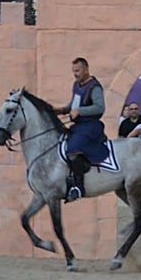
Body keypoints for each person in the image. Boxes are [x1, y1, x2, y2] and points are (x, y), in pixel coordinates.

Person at [54, 57, 108, 201]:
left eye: (77, 71)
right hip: (78, 126)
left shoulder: (94, 87)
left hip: (91, 126)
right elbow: (74, 105)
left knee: (72, 148)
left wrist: (80, 111)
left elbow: (100, 107)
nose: (75, 74)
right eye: (73, 71)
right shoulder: (77, 85)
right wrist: (62, 110)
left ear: (86, 69)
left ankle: (79, 187)